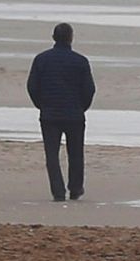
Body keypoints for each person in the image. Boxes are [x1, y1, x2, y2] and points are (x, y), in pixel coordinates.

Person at [26, 22, 96, 202]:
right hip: (74, 114)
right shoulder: (80, 61)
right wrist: (82, 107)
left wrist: (41, 105)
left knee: (52, 155)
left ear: (53, 38)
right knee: (76, 153)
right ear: (71, 38)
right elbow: (89, 90)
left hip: (49, 114)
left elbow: (32, 87)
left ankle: (58, 192)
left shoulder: (41, 59)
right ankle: (75, 188)